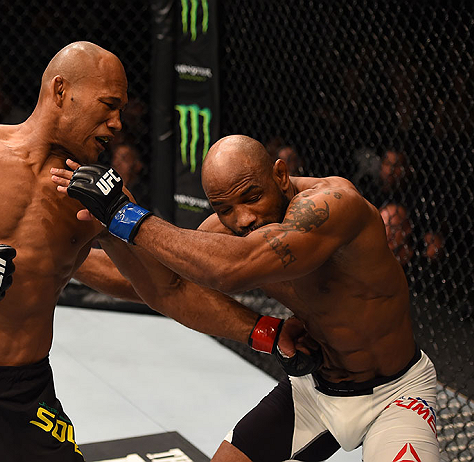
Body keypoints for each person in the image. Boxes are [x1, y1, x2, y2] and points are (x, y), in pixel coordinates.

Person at [0, 42, 282, 462]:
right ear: (61, 90)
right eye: (109, 105)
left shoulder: (103, 197)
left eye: (122, 111)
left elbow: (164, 288)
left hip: (20, 399)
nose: (118, 124)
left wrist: (264, 332)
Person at [53, 134, 440, 461]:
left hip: (396, 393)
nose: (243, 220)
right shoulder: (229, 229)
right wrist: (66, 253)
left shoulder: (334, 206)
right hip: (316, 388)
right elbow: (161, 285)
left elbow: (233, 269)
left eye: (252, 197)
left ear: (280, 175)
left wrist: (125, 215)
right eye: (224, 209)